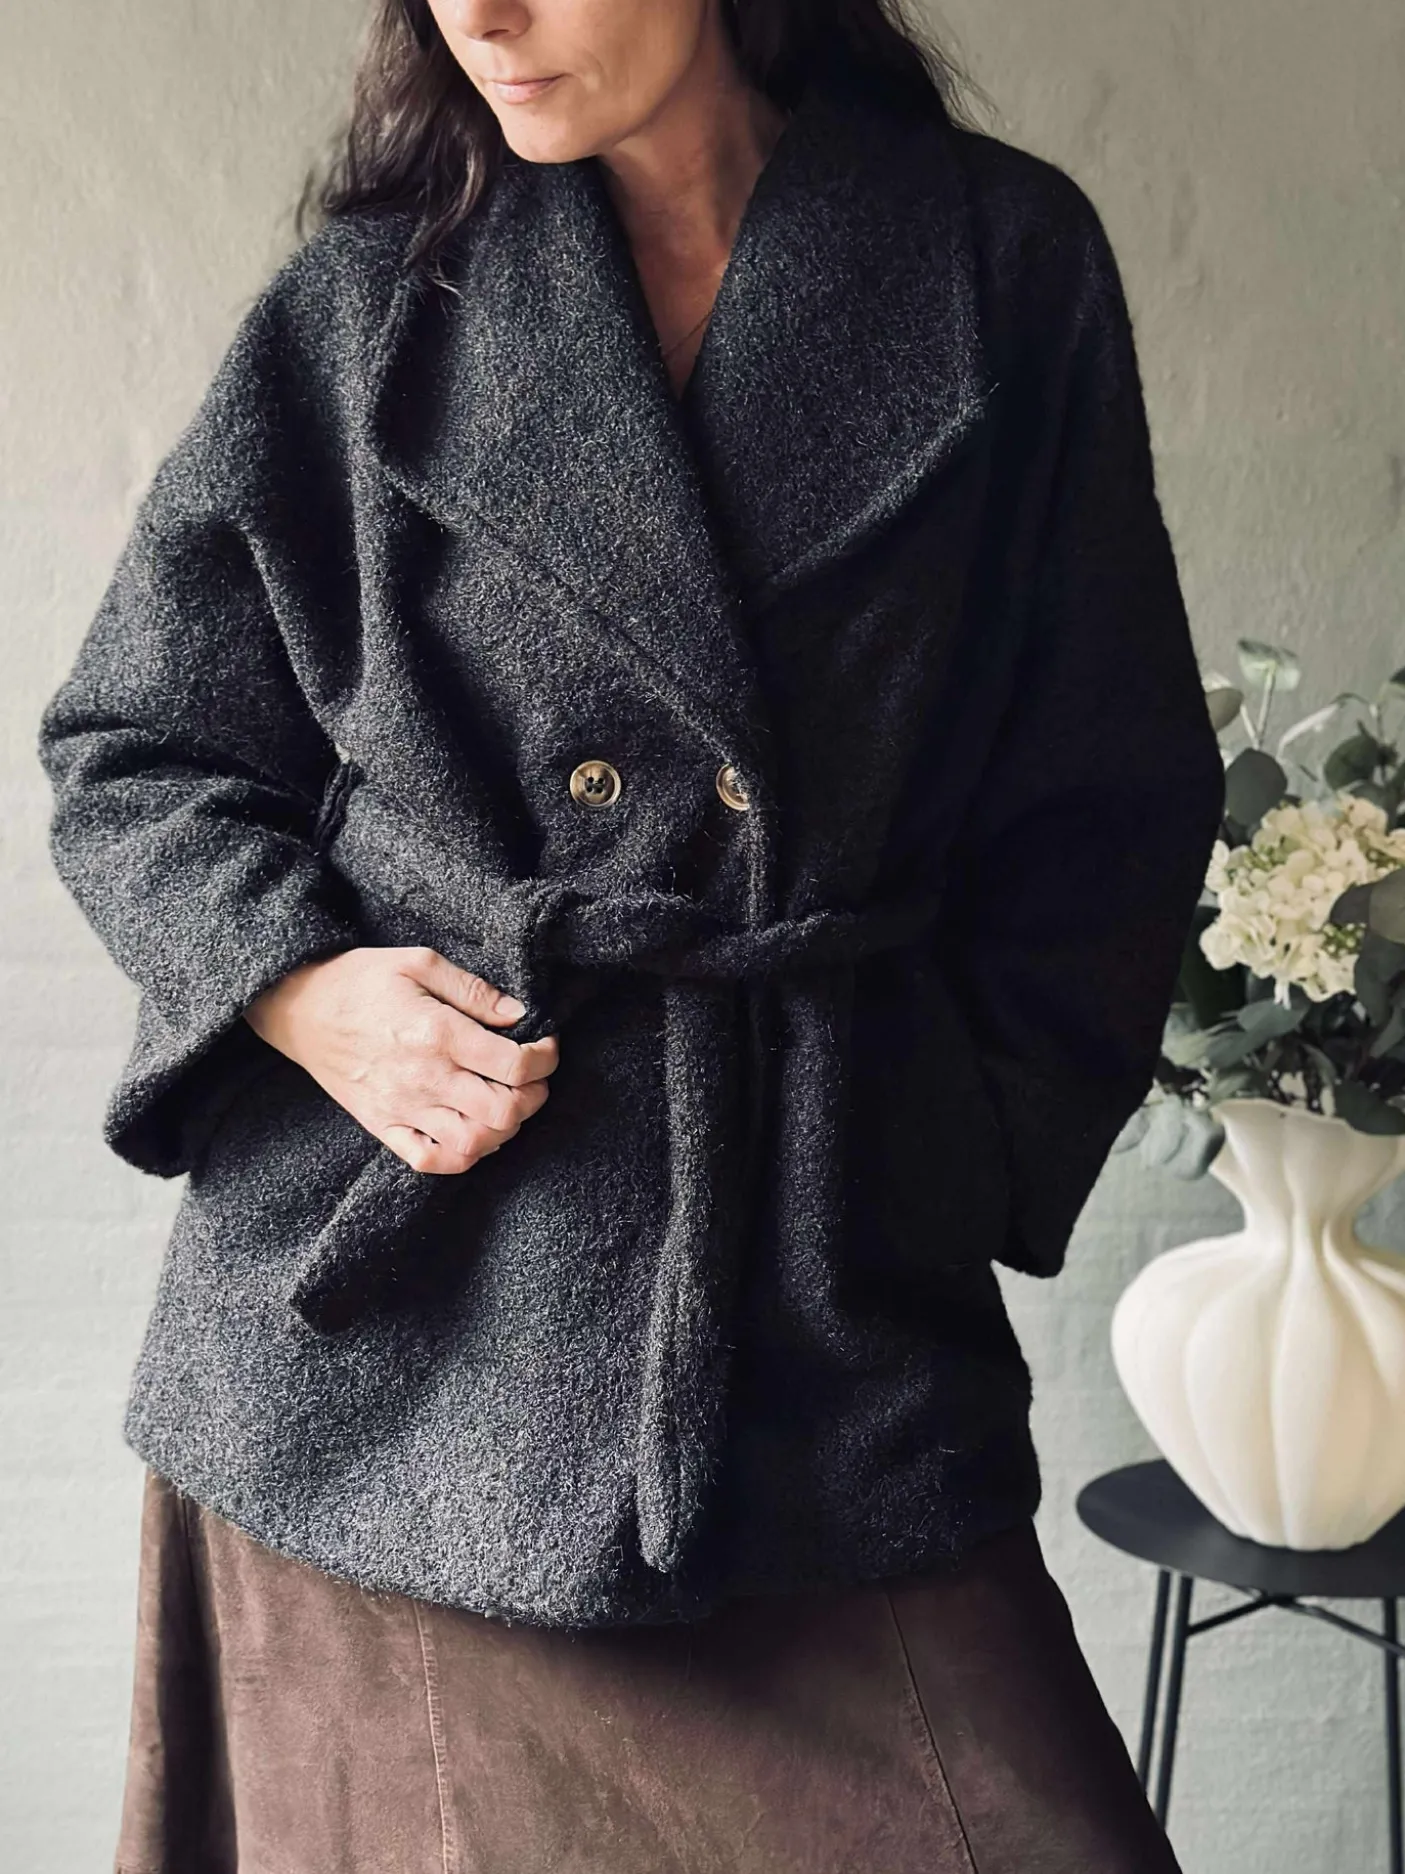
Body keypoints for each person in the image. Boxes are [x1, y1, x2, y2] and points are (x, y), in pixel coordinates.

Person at [37, 0, 1227, 1868]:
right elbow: (139, 745)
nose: (483, 15)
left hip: (813, 1314)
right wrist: (306, 992)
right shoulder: (374, 305)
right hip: (383, 1341)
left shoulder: (998, 266)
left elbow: (1110, 790)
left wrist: (941, 1147)